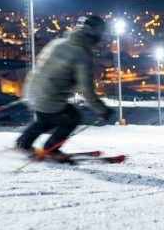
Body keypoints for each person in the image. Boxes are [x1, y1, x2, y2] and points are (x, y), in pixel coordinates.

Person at [15, 15, 113, 162]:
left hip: (32, 91)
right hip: (49, 97)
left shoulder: (58, 42)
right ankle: (52, 148)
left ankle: (23, 143)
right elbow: (86, 90)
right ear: (94, 36)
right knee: (72, 118)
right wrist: (102, 110)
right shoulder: (82, 55)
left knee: (45, 120)